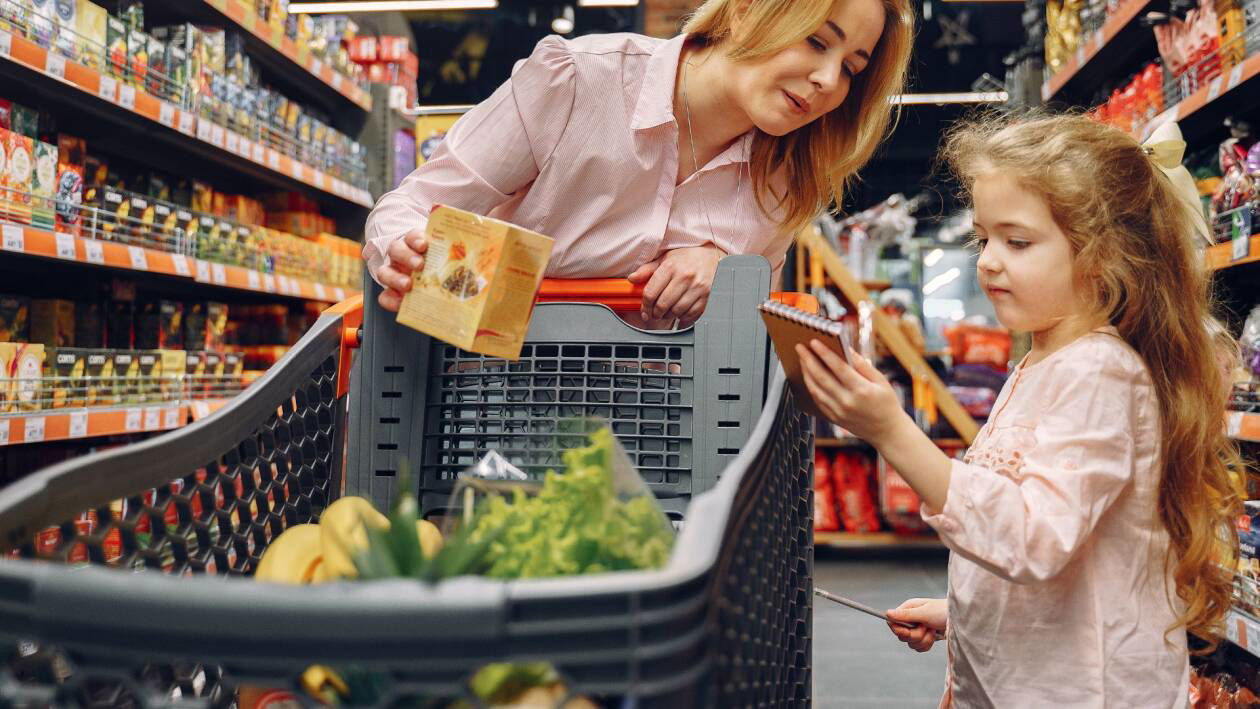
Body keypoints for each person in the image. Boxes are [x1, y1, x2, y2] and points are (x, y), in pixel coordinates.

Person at [796, 112, 1241, 707]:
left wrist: (890, 430)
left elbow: (1033, 537)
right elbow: (1059, 552)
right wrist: (963, 613)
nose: (986, 260)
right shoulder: (1043, 361)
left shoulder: (1100, 372)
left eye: (1018, 241)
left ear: (1103, 256)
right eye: (983, 238)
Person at [363, 0, 913, 327]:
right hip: (483, 402)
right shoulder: (579, 80)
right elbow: (409, 208)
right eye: (818, 41)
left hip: (655, 445)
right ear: (748, 10)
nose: (827, 80)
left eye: (851, 68)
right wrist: (414, 256)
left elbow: (743, 354)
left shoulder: (786, 181)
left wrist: (730, 280)